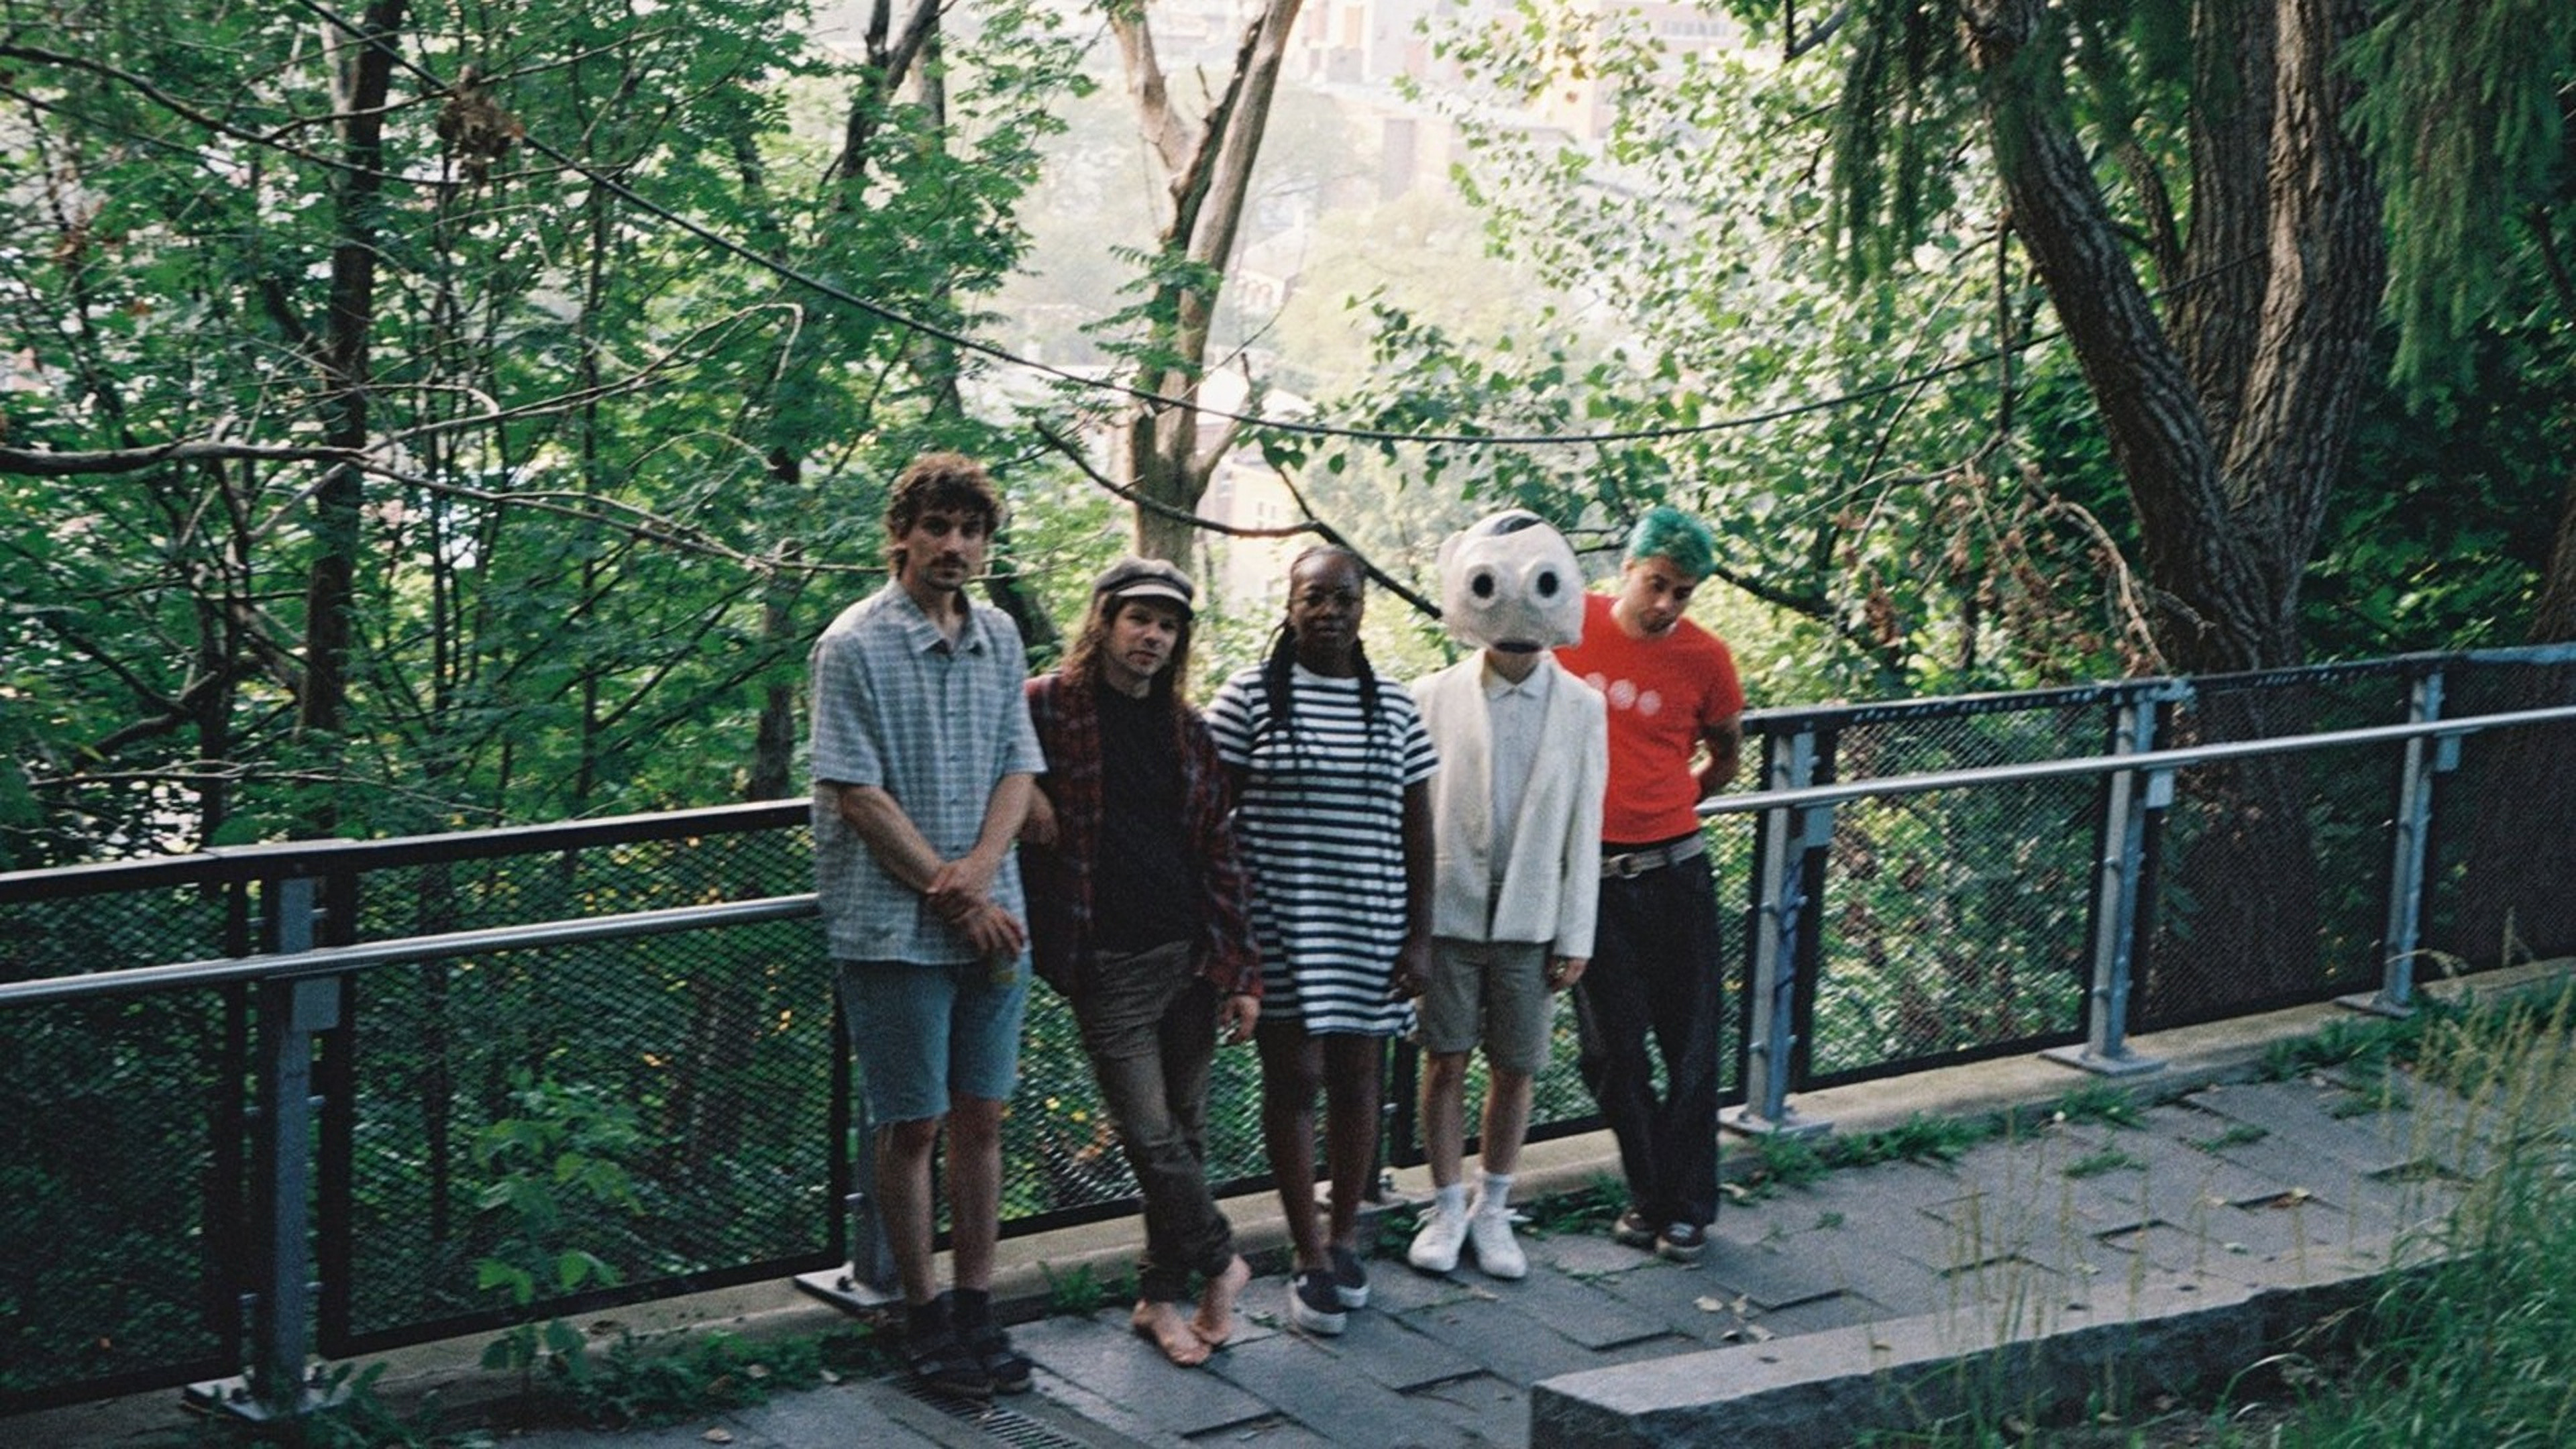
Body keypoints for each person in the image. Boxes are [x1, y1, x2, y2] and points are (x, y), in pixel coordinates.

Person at [807, 451, 1044, 1398]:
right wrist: (958, 894)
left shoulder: (1000, 636)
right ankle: (922, 1314)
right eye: (937, 527)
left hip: (996, 922)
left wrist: (982, 877)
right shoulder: (853, 645)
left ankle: (978, 1306)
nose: (955, 545)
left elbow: (1019, 767)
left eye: (971, 531)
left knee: (982, 1116)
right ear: (900, 535)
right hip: (891, 927)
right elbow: (855, 792)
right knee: (913, 1122)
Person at [1020, 557, 1261, 1368]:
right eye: (1139, 619)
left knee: (1183, 1135)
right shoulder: (1045, 706)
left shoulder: (1187, 729)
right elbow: (985, 761)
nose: (1152, 636)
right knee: (1150, 1136)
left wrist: (1239, 970)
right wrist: (1027, 793)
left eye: (1167, 625)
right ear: (1105, 622)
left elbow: (1220, 851)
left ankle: (1159, 1298)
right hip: (1107, 960)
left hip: (1188, 956)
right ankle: (1223, 1261)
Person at [1203, 546, 1437, 1336]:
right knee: (1295, 1079)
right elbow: (1210, 820)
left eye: (1344, 598)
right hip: (1281, 925)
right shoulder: (1248, 699)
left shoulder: (1395, 707)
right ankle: (1305, 1254)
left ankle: (1344, 1241)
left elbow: (1418, 832)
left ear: (1363, 607)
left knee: (1359, 1081)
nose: (1330, 612)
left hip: (1370, 926)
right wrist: (1229, 936)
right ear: (1290, 605)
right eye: (1314, 597)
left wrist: (1420, 937)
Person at [1405, 511, 1607, 1281]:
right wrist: (1410, 926)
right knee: (1444, 1059)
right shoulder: (1431, 696)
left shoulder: (1583, 708)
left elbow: (1585, 824)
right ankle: (1444, 1203)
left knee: (1517, 1065)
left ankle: (1494, 1204)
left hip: (1532, 917)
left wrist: (1576, 933)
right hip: (1448, 911)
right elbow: (1411, 817)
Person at [1552, 505, 1745, 1266]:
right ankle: (1650, 1192)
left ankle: (1684, 1209)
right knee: (1611, 1054)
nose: (1666, 604)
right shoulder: (1572, 624)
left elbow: (1725, 753)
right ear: (1628, 569)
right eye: (1657, 584)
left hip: (1675, 873)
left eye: (1683, 593)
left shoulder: (1707, 659)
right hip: (1592, 879)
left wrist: (1671, 802)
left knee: (1691, 1047)